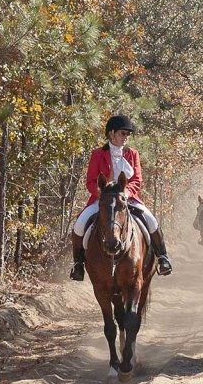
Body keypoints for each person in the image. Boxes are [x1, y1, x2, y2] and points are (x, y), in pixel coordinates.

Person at [70, 115, 172, 280]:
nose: (126, 137)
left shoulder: (132, 154)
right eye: (123, 133)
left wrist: (126, 193)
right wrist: (101, 194)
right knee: (80, 224)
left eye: (127, 134)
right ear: (112, 133)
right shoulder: (97, 154)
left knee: (151, 220)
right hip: (103, 200)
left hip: (127, 199)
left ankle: (163, 258)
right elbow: (90, 181)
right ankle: (78, 264)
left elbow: (137, 179)